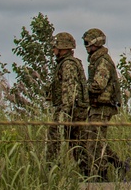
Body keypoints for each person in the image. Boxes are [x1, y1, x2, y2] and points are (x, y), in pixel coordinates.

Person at [82, 28, 126, 181]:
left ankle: (102, 174)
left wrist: (82, 90)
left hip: (103, 106)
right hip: (97, 106)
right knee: (95, 139)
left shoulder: (102, 61)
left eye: (87, 43)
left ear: (96, 43)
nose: (86, 46)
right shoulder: (97, 59)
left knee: (95, 141)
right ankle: (118, 163)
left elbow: (98, 85)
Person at [47, 32, 89, 171]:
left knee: (58, 139)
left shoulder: (68, 64)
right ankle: (87, 172)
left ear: (62, 47)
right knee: (77, 142)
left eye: (55, 47)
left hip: (71, 110)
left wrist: (64, 113)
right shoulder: (68, 63)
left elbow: (69, 88)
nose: (53, 50)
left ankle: (52, 170)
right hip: (74, 109)